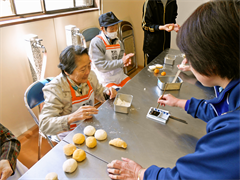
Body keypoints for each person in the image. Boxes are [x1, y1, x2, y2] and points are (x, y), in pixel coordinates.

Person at [107, 0, 240, 179]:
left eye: (191, 58)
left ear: (210, 64)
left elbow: (188, 176)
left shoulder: (233, 135)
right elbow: (218, 109)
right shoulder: (232, 90)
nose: (187, 63)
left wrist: (140, 173)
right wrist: (180, 102)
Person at [39, 45, 117, 136]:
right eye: (83, 69)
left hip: (89, 123)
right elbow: (44, 125)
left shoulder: (90, 76)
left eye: (89, 65)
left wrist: (107, 93)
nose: (88, 72)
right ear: (67, 71)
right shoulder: (55, 89)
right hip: (69, 132)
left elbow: (99, 91)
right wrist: (71, 117)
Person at [89, 11, 134, 90]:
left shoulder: (118, 42)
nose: (115, 31)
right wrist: (121, 62)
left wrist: (125, 62)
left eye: (116, 28)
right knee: (118, 96)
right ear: (103, 29)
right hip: (105, 79)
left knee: (132, 89)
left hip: (119, 75)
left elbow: (121, 58)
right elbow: (101, 66)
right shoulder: (96, 43)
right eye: (112, 29)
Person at [142, 0, 180, 66]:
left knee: (163, 71)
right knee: (149, 73)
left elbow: (172, 18)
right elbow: (145, 26)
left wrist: (173, 26)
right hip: (152, 48)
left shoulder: (172, 1)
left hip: (165, 46)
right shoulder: (150, 2)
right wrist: (162, 27)